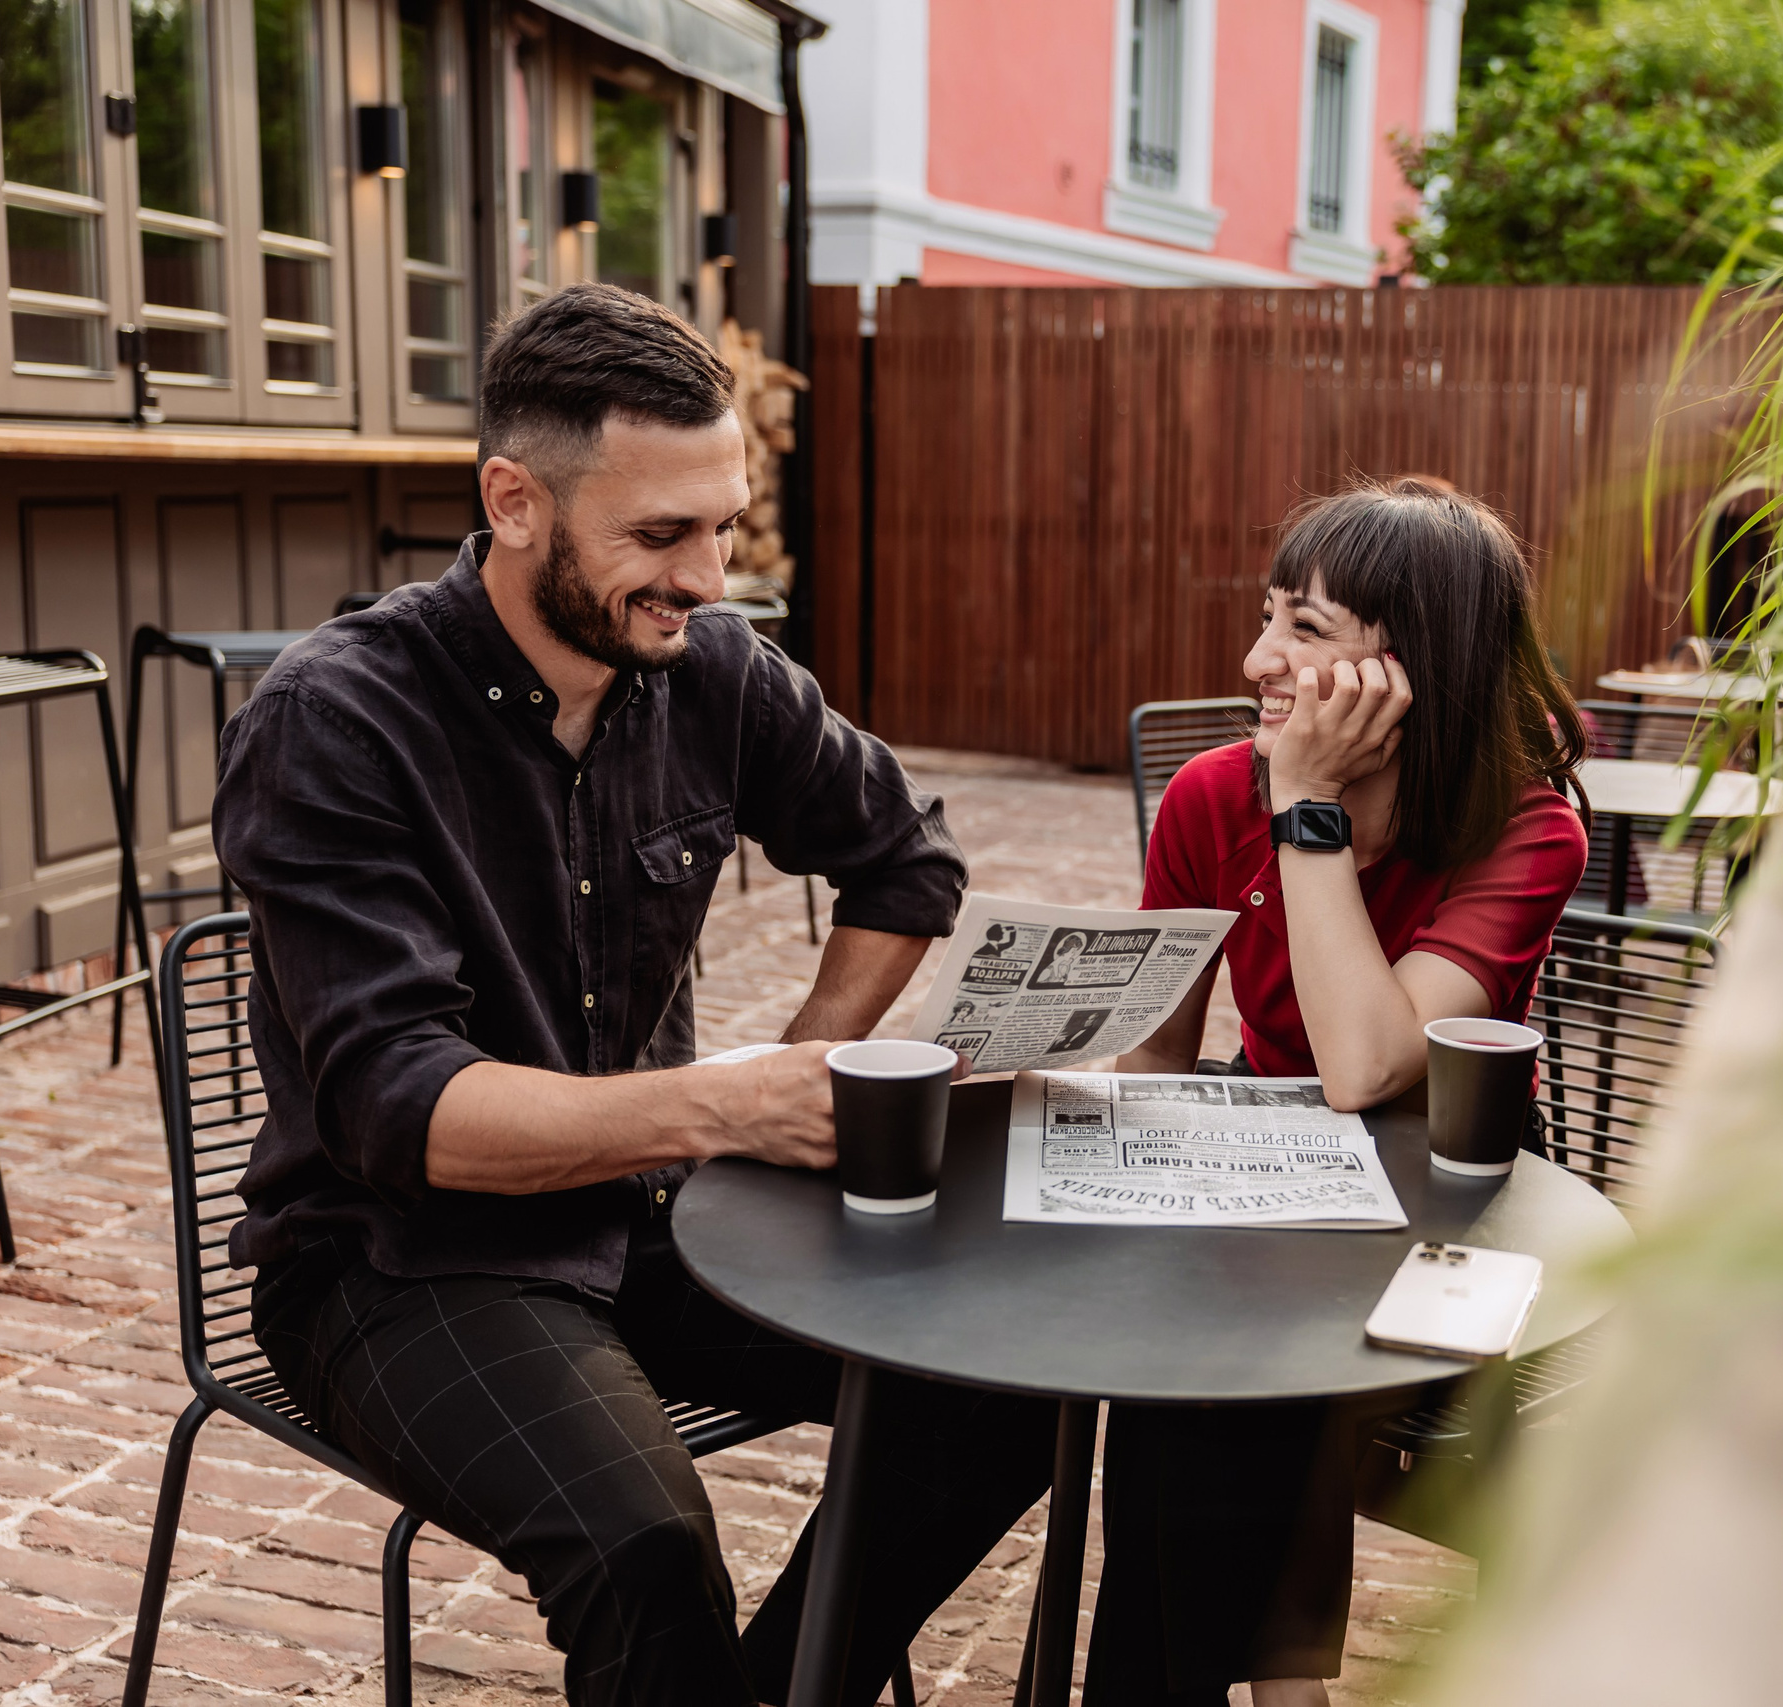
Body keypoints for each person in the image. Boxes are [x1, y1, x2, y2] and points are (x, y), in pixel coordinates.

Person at [213, 283, 1056, 1707]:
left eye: (723, 524)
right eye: (662, 536)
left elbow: (907, 863)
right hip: (395, 1260)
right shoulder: (334, 717)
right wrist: (719, 1106)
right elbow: (397, 1110)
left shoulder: (714, 669)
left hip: (655, 1222)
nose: (711, 576)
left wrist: (803, 1066)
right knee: (649, 1545)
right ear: (515, 500)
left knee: (1010, 1379)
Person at [1101, 477, 1592, 1705]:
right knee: (1180, 1362)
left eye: (1306, 631)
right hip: (1268, 1187)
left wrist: (1304, 812)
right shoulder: (1213, 794)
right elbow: (1156, 1059)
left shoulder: (1523, 829)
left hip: (1446, 1214)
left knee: (1229, 1377)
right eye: (1269, 615)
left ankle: (1253, 1686)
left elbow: (1367, 1066)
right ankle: (1272, 1686)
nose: (1258, 657)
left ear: (1409, 666)